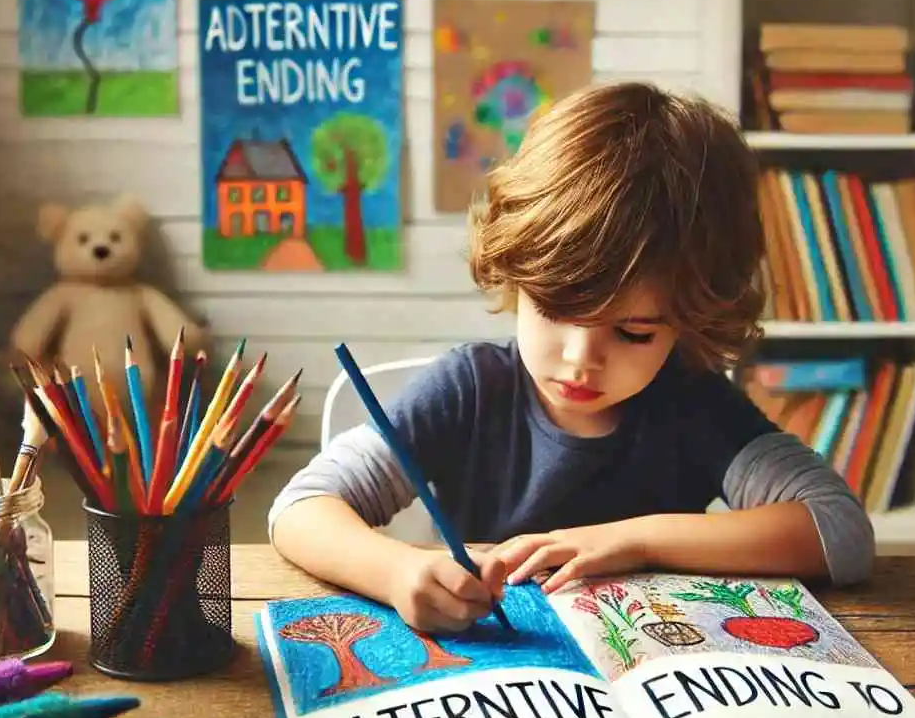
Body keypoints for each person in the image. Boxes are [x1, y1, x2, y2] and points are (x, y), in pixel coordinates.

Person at [268, 82, 875, 633]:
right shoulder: (471, 390)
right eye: (557, 311)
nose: (582, 359)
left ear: (688, 322)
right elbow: (299, 509)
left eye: (634, 332)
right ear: (516, 280)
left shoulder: (692, 402)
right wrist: (396, 572)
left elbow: (839, 532)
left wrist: (632, 541)